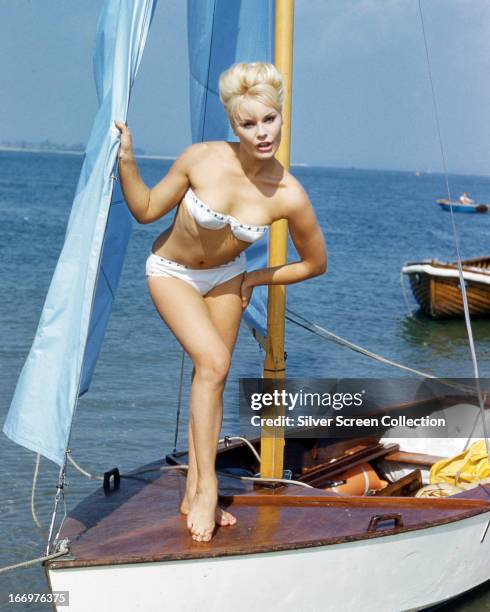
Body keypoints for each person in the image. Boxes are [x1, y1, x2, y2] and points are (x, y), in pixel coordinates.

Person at [115, 62, 327, 543]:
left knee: (212, 375)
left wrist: (254, 275)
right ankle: (208, 488)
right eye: (247, 124)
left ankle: (193, 489)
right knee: (213, 363)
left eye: (268, 120)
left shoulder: (289, 194)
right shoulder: (201, 158)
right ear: (233, 124)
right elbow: (146, 210)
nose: (261, 133)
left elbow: (315, 263)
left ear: (280, 116)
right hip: (173, 273)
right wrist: (127, 159)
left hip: (229, 278)